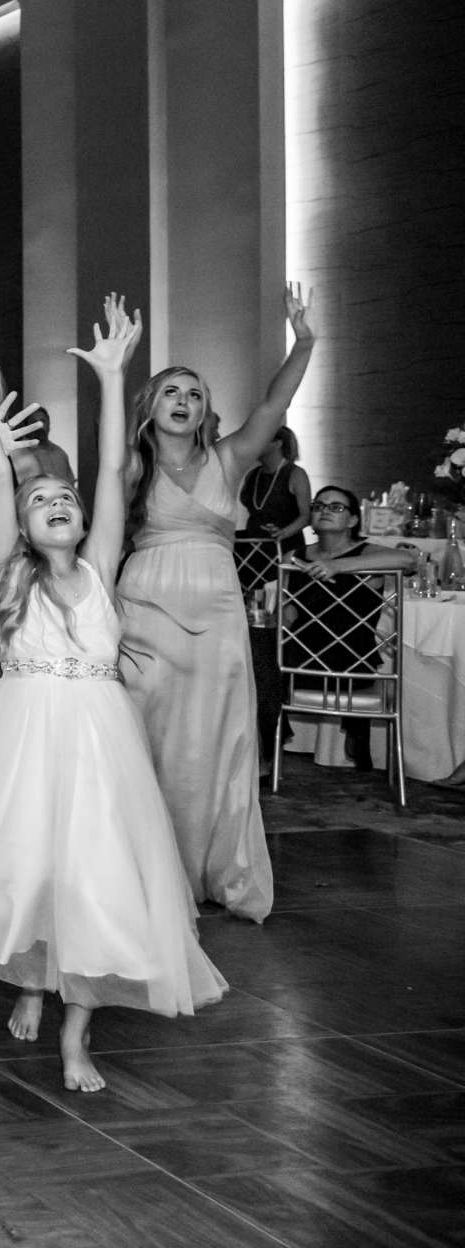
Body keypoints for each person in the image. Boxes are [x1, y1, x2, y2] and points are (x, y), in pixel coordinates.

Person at [0, 295, 226, 1092]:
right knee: (33, 869)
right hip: (24, 733)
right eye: (42, 501)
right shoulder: (9, 574)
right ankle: (35, 979)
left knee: (93, 875)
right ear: (22, 528)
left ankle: (76, 1034)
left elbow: (111, 468)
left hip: (99, 739)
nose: (57, 501)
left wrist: (111, 376)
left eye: (61, 497)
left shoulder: (101, 569)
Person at [117, 284, 314, 923]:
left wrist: (304, 341)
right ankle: (148, 871)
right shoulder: (128, 467)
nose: (184, 401)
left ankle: (211, 871)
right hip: (146, 612)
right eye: (171, 390)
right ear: (150, 406)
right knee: (151, 738)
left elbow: (274, 402)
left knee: (215, 742)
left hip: (217, 612)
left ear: (207, 412)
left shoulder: (228, 461)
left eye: (195, 393)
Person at [279, 483, 417, 772]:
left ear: (353, 520)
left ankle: (271, 748)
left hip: (352, 663)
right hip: (299, 662)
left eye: (336, 507)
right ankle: (267, 747)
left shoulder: (367, 554)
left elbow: (408, 559)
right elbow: (287, 616)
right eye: (318, 506)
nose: (324, 511)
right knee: (259, 651)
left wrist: (340, 566)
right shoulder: (295, 557)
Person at [239, 427, 312, 556]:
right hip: (254, 546)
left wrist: (283, 532)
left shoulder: (296, 474)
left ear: (278, 443)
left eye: (260, 439)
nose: (254, 444)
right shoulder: (252, 474)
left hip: (285, 548)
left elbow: (306, 516)